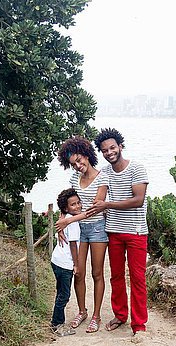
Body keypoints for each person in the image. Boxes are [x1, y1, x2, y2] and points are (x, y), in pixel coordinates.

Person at [86, 128, 149, 342]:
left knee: (138, 278)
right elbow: (100, 197)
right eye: (105, 150)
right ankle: (120, 315)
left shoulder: (137, 168)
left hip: (136, 232)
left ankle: (139, 324)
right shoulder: (105, 172)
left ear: (121, 146)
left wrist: (108, 204)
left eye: (112, 147)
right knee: (116, 276)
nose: (109, 152)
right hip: (113, 231)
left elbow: (137, 199)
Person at [55, 136, 109, 333]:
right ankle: (82, 311)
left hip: (96, 227)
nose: (78, 166)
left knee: (96, 273)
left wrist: (68, 220)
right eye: (73, 164)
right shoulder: (74, 179)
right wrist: (62, 218)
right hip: (78, 231)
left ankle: (96, 315)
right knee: (78, 272)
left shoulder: (102, 177)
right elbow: (66, 200)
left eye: (79, 160)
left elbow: (95, 209)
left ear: (87, 155)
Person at [49, 188, 82, 337]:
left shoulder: (66, 218)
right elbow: (73, 245)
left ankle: (57, 321)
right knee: (64, 295)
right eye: (73, 205)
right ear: (66, 208)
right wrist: (76, 264)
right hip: (65, 264)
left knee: (60, 293)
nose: (78, 206)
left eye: (78, 203)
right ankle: (57, 324)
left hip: (56, 260)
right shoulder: (72, 223)